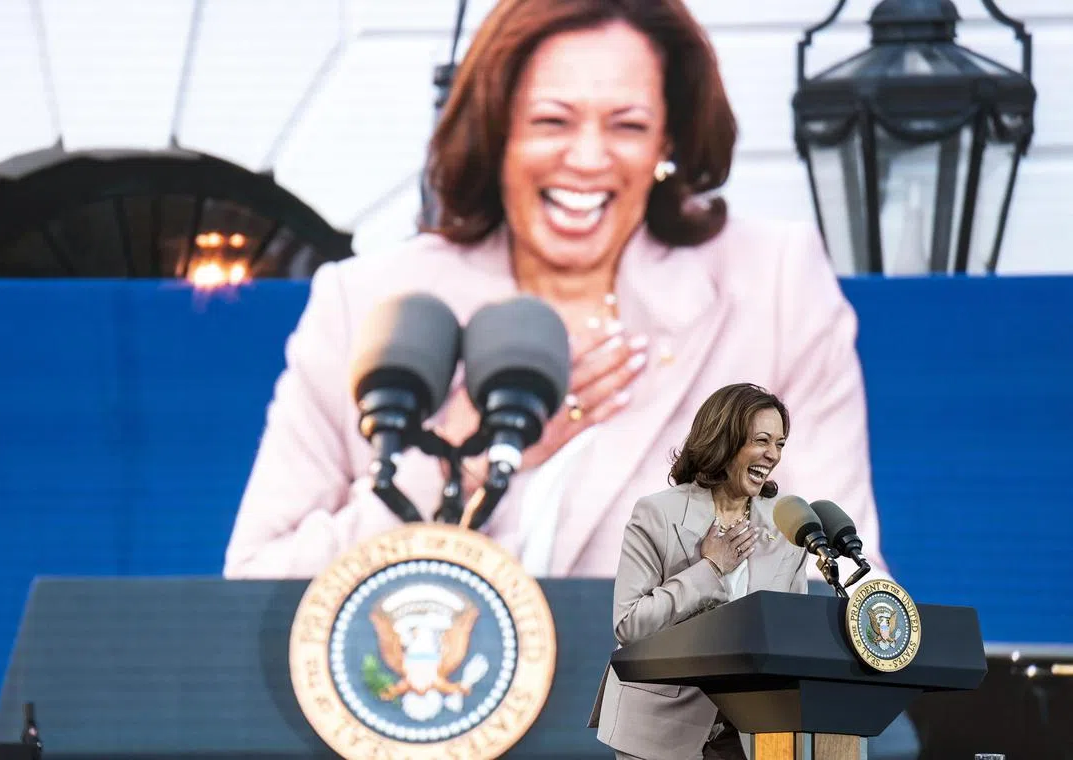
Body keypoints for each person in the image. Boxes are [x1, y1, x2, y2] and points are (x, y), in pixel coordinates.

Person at [221, 0, 888, 584]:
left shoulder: (771, 283)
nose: (589, 158)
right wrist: (463, 465)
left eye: (627, 125)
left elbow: (842, 573)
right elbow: (258, 583)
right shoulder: (364, 302)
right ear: (498, 130)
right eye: (552, 121)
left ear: (669, 141)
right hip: (425, 715)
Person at [589, 383, 805, 760]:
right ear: (724, 440)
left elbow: (790, 632)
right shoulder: (657, 514)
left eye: (780, 444)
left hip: (751, 733)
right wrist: (710, 568)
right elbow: (629, 625)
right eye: (761, 440)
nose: (773, 455)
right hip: (661, 727)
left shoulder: (786, 526)